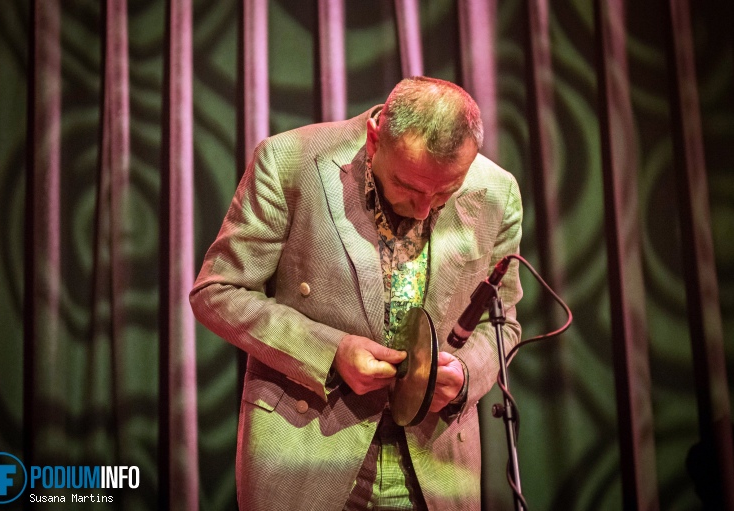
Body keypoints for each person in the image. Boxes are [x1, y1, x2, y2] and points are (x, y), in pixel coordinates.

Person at [190, 76, 523, 511]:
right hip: (307, 449)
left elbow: (503, 324)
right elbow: (218, 291)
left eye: (445, 191)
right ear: (374, 138)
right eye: (409, 186)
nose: (425, 208)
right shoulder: (289, 159)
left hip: (435, 464)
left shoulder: (498, 191)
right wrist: (331, 353)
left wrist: (463, 376)